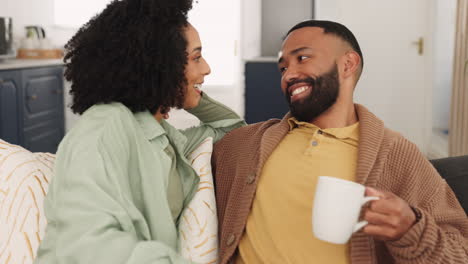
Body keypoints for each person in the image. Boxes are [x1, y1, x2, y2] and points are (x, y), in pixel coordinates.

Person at [211, 20, 468, 264]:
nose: (288, 74)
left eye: (302, 58)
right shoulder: (246, 144)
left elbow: (459, 254)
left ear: (347, 64)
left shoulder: (396, 154)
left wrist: (411, 229)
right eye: (283, 67)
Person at [34, 0, 245, 263]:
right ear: (160, 64)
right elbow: (86, 245)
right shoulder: (104, 127)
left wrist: (186, 95)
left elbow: (234, 133)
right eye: (196, 58)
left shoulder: (163, 136)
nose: (206, 69)